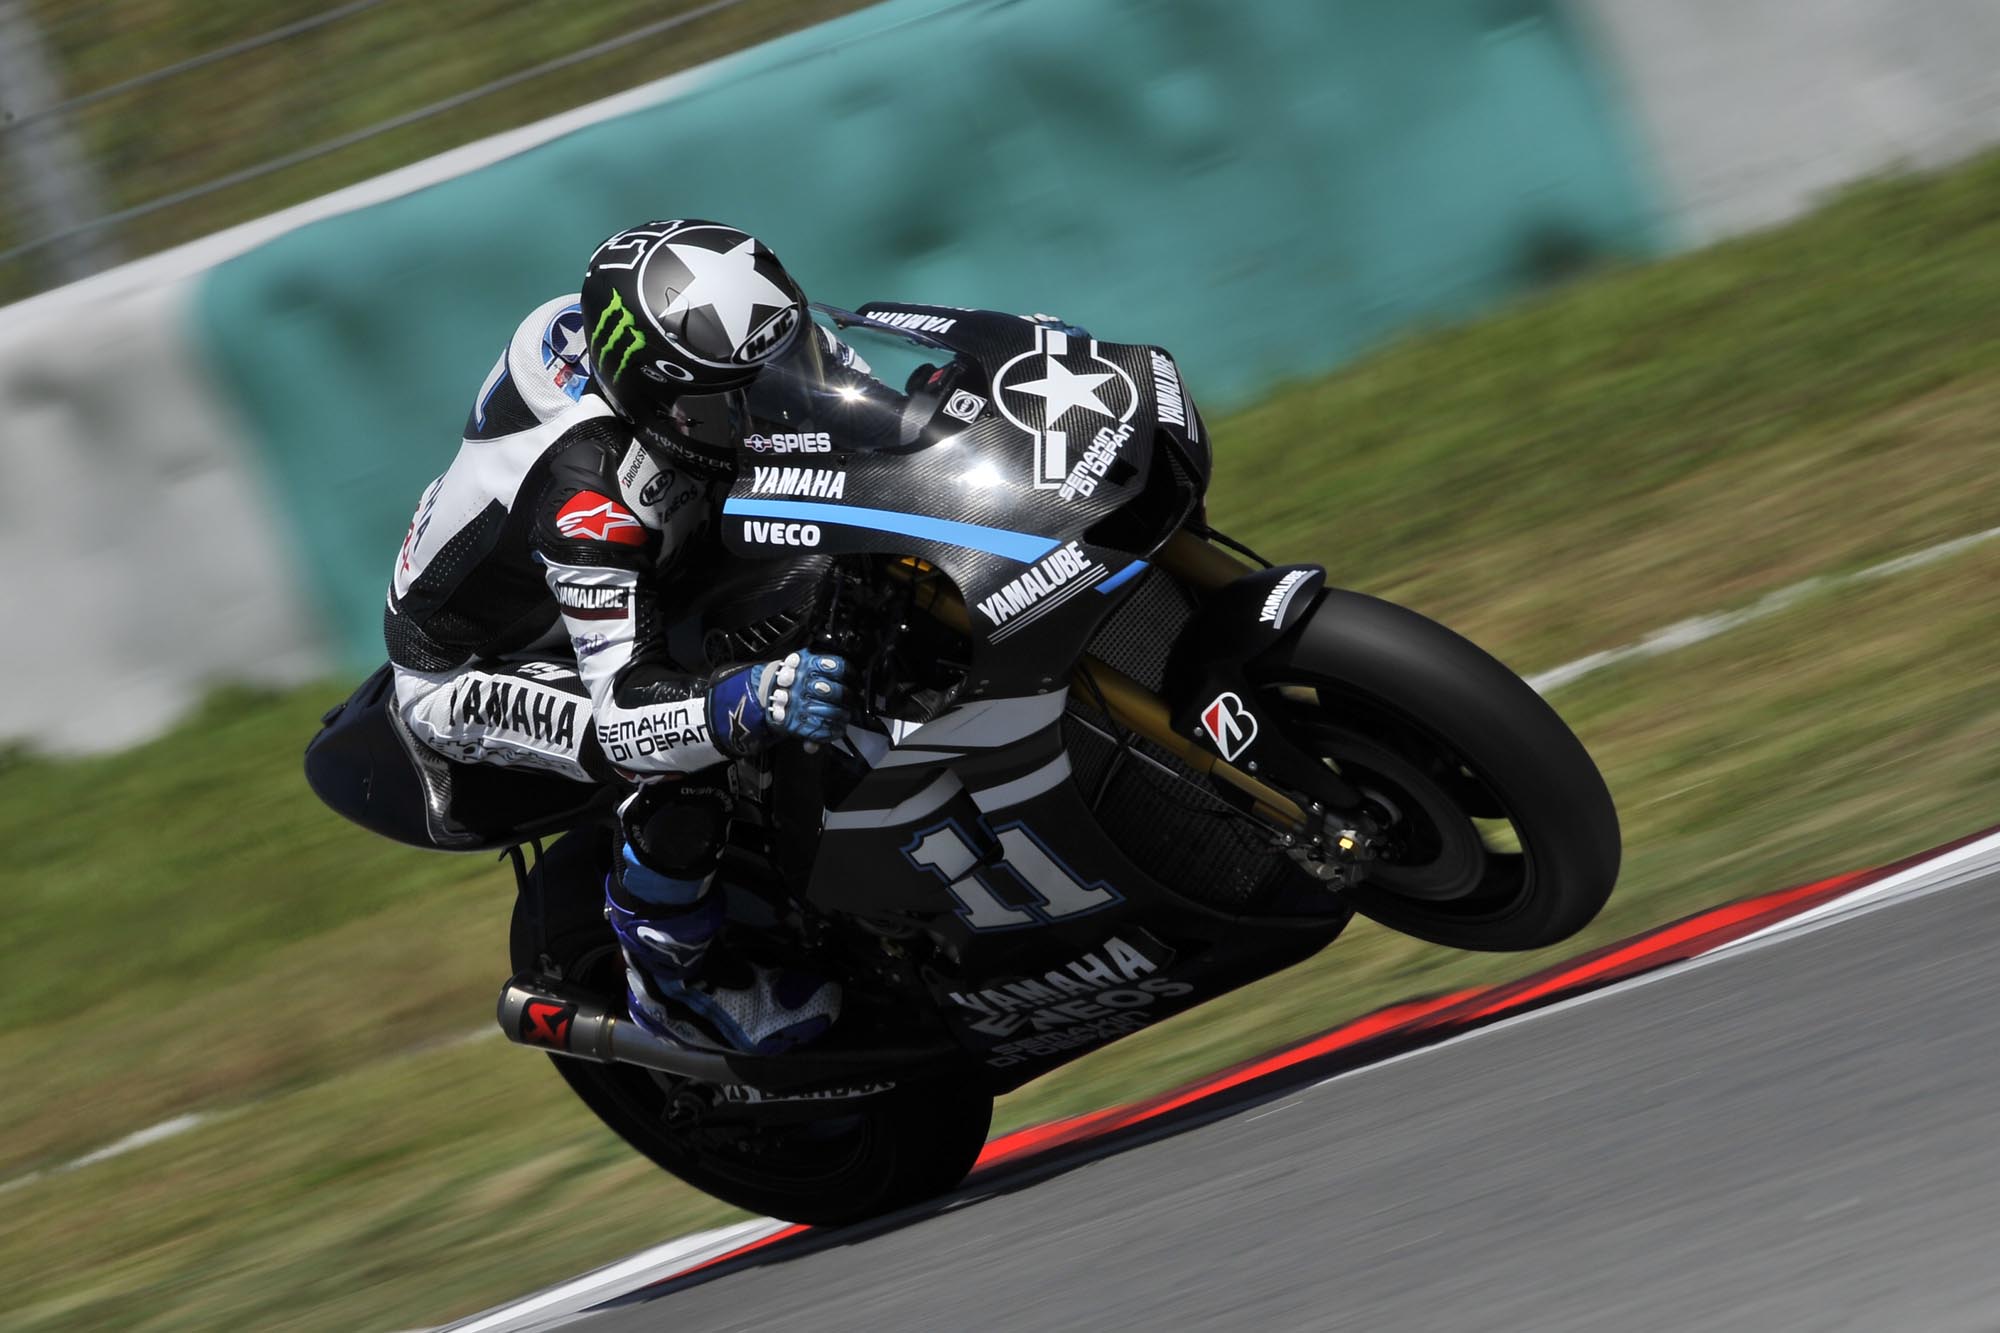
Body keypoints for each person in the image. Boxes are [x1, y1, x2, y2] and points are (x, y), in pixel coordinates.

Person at [384, 219, 855, 1056]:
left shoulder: (691, 347)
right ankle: (676, 987)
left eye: (774, 370)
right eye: (722, 404)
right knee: (681, 758)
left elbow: (834, 391)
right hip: (476, 663)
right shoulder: (590, 495)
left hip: (644, 559)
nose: (756, 411)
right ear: (656, 403)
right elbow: (627, 714)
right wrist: (749, 699)